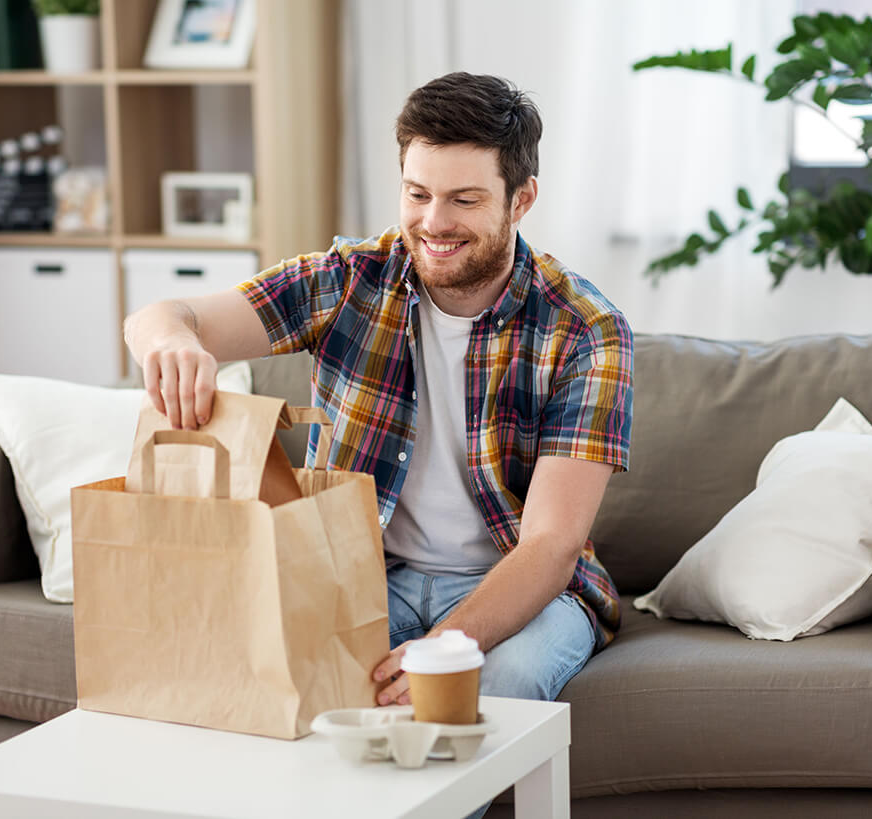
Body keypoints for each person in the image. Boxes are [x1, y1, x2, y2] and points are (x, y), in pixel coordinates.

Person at [124, 72, 633, 712]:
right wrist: (170, 342)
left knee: (495, 687)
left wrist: (443, 648)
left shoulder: (587, 330)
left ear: (521, 199)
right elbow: (164, 315)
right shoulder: (350, 280)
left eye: (464, 201)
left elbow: (550, 547)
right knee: (264, 672)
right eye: (417, 193)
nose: (433, 222)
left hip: (522, 587)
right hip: (367, 579)